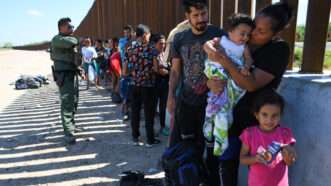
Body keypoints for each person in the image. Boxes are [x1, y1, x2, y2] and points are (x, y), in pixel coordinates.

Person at [204, 2, 295, 185]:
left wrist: (223, 58)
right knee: (223, 163)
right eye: (254, 26)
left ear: (274, 34)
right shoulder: (239, 38)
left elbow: (250, 83)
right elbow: (212, 54)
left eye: (261, 32)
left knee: (257, 165)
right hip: (225, 112)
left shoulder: (278, 50)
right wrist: (210, 82)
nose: (252, 34)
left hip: (253, 121)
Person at [166, 0, 225, 184]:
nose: (201, 19)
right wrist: (170, 97)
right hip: (186, 102)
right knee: (182, 145)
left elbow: (230, 66)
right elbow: (175, 71)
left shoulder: (219, 34)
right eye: (196, 15)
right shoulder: (180, 38)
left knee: (211, 151)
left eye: (204, 14)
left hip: (211, 105)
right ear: (187, 17)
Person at [203, 14, 255, 156]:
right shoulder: (221, 40)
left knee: (223, 105)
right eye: (242, 33)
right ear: (230, 31)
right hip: (217, 72)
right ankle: (210, 128)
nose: (245, 37)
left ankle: (219, 137)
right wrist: (210, 50)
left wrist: (246, 67)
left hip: (231, 77)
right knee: (215, 101)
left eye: (248, 35)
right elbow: (207, 45)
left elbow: (249, 59)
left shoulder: (244, 48)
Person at [239, 89, 297, 186]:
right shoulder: (249, 134)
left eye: (274, 115)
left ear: (280, 116)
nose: (269, 120)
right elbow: (242, 159)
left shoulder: (284, 134)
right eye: (264, 115)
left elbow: (290, 162)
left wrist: (289, 155)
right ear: (256, 115)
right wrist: (255, 159)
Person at [123, 24, 160, 148]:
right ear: (145, 35)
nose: (149, 37)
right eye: (149, 35)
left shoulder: (129, 50)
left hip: (134, 85)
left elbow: (124, 72)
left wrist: (134, 73)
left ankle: (135, 136)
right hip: (148, 85)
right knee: (149, 113)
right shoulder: (152, 49)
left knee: (135, 111)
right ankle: (150, 139)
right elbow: (155, 68)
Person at [50, 17, 82, 144]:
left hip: (71, 75)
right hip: (64, 76)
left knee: (74, 102)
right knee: (67, 103)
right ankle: (68, 133)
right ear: (61, 27)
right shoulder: (57, 39)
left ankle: (71, 127)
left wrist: (80, 70)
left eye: (72, 27)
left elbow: (73, 58)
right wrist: (79, 39)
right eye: (69, 27)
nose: (72, 29)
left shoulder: (68, 40)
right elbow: (73, 41)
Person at [152, 34, 169, 136]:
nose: (163, 45)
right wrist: (171, 72)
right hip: (155, 84)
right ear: (155, 44)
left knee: (163, 107)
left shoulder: (165, 54)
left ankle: (162, 127)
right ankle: (153, 129)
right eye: (160, 43)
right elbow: (158, 70)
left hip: (164, 84)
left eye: (164, 43)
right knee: (153, 107)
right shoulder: (154, 54)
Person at [119, 25, 134, 120]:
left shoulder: (135, 40)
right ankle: (126, 111)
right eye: (125, 32)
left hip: (134, 67)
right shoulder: (122, 41)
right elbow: (124, 50)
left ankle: (129, 110)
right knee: (126, 90)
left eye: (128, 32)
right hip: (125, 67)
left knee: (132, 91)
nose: (126, 34)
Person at [109, 37, 121, 102]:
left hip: (113, 64)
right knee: (119, 79)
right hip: (115, 64)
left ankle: (113, 93)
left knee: (114, 79)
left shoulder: (112, 49)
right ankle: (115, 94)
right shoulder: (117, 48)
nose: (110, 44)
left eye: (111, 42)